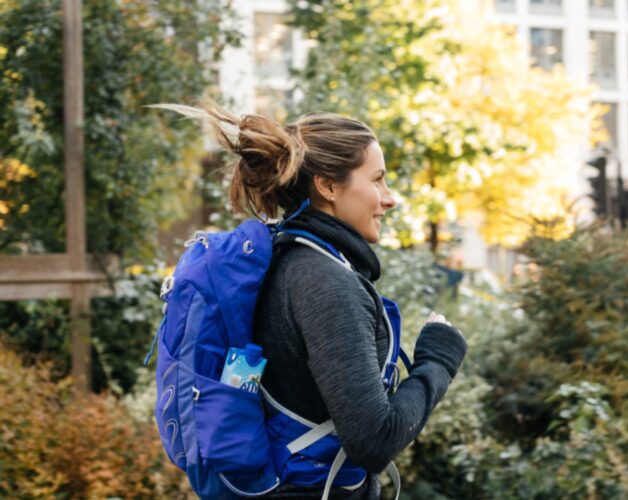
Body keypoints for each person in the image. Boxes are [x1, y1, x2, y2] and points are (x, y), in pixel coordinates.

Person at [192, 103, 468, 499]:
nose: (389, 199)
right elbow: (374, 439)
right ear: (328, 186)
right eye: (377, 180)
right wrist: (438, 360)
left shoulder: (286, 260)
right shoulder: (324, 282)